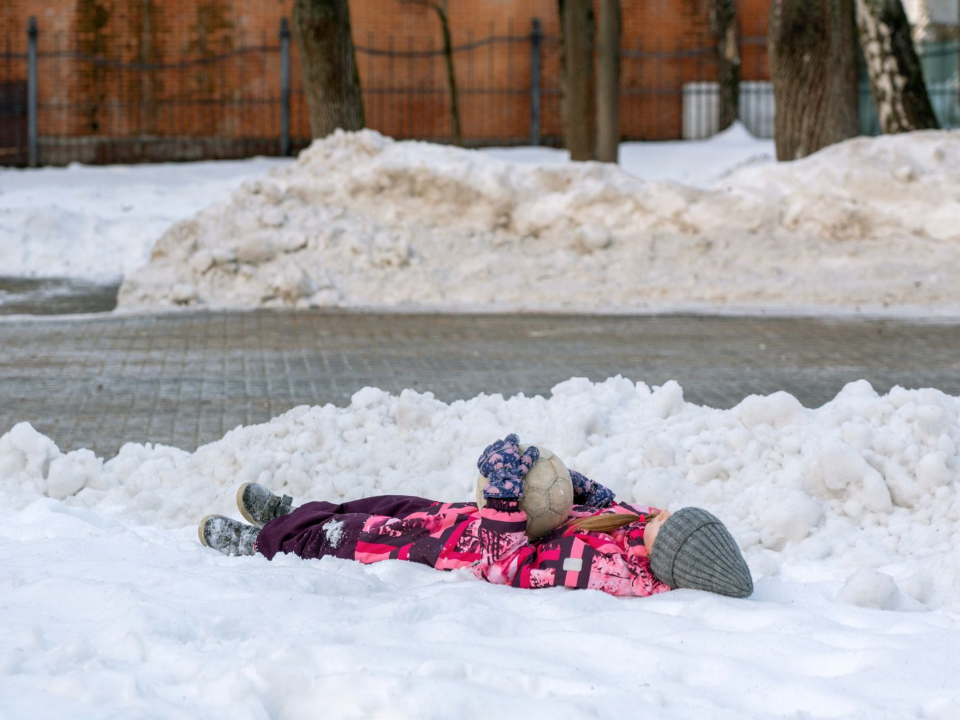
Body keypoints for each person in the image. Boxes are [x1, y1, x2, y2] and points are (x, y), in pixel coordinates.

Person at [198, 434, 753, 598]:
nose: (660, 512)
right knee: (375, 506)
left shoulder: (612, 569)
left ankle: (261, 542)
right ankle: (292, 514)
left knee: (349, 539)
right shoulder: (633, 526)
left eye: (668, 521)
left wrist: (509, 496)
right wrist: (571, 484)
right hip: (461, 518)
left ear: (669, 553)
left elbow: (511, 566)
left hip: (452, 548)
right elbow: (598, 505)